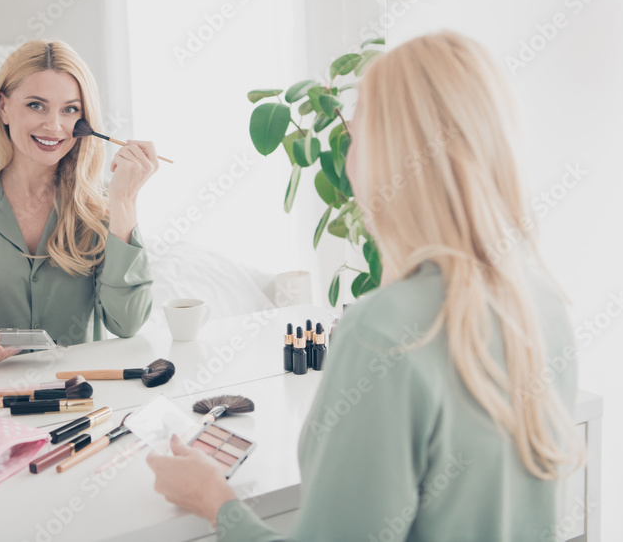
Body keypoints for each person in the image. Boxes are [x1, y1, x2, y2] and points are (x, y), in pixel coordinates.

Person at [146, 30, 586, 540]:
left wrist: (216, 502)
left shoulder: (382, 332)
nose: (349, 154)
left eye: (356, 137)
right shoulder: (542, 305)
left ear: (392, 161)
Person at [0, 39, 158, 369]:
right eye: (36, 105)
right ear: (3, 107)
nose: (54, 126)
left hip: (77, 396)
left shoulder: (102, 202)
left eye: (70, 109)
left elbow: (127, 323)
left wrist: (124, 202)